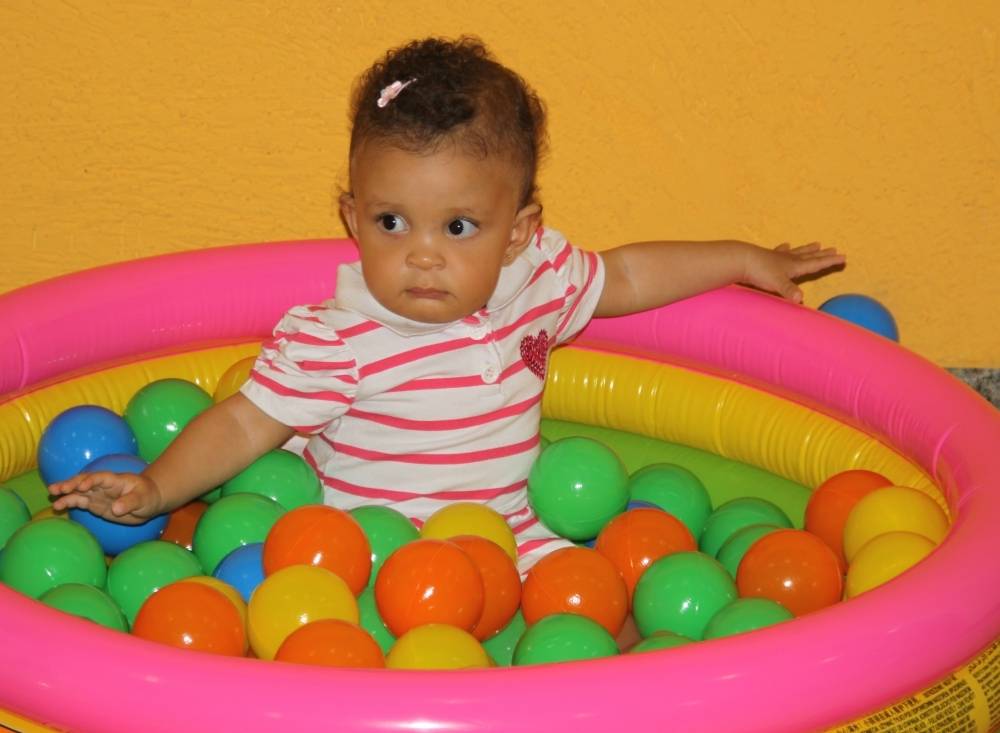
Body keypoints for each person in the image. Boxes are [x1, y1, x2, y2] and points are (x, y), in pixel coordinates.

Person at [49, 37, 844, 576]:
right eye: (392, 222)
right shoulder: (339, 338)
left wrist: (745, 257)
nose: (422, 253)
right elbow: (245, 422)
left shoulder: (539, 281)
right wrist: (159, 487)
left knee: (610, 601)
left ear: (517, 233)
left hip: (508, 538)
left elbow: (629, 276)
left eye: (458, 226)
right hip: (357, 559)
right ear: (353, 217)